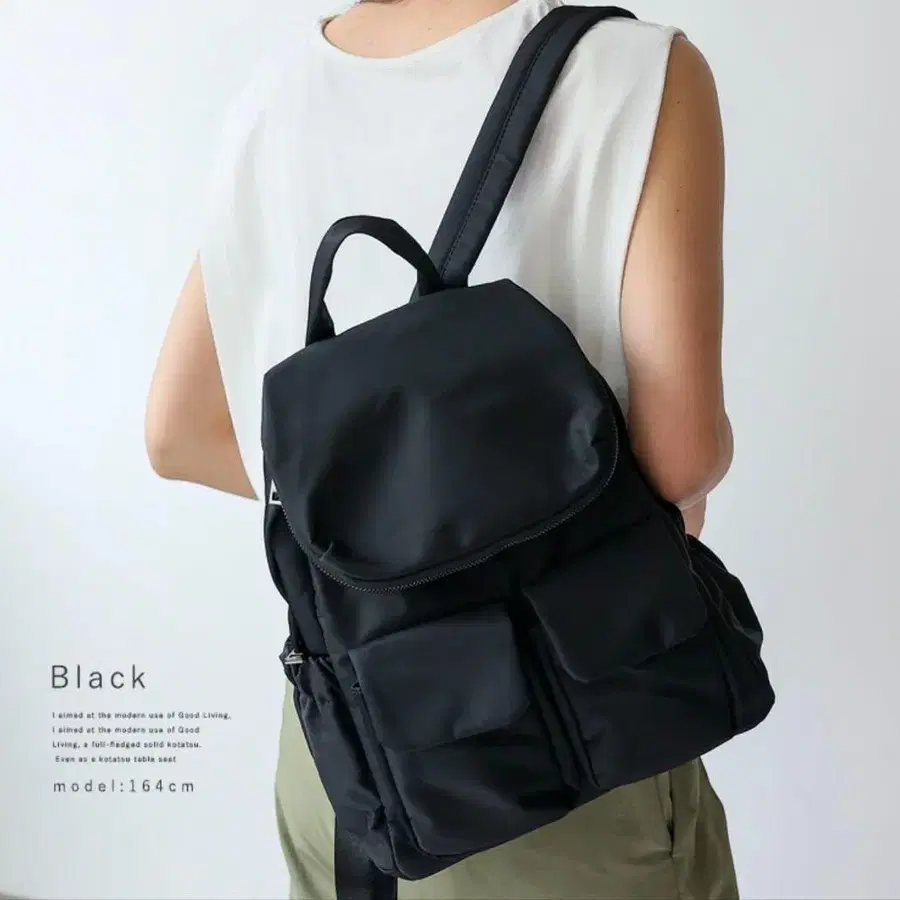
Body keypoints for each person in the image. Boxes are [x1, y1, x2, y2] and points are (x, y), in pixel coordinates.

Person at [145, 0, 738, 896]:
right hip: (565, 741)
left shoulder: (275, 93)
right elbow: (680, 457)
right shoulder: (635, 70)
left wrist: (379, 545)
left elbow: (178, 432)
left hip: (350, 747)